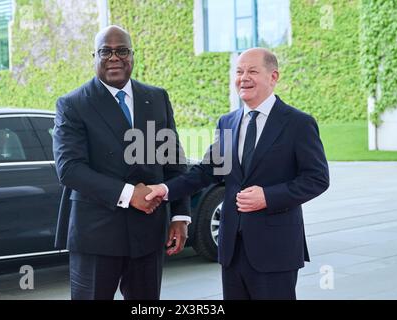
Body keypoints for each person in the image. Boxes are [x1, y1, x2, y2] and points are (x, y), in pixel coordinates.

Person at [146, 48, 330, 300]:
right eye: (239, 71)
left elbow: (317, 178)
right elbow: (207, 170)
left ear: (273, 76)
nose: (244, 78)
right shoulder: (227, 122)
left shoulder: (298, 123)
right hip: (232, 247)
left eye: (253, 71)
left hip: (276, 248)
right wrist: (165, 190)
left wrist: (268, 196)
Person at [52, 25, 191, 300]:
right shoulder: (73, 104)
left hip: (149, 232)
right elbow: (69, 168)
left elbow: (174, 161)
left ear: (132, 55)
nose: (114, 57)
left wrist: (179, 216)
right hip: (96, 234)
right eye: (105, 51)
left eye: (122, 50)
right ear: (94, 56)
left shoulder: (157, 97)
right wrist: (129, 194)